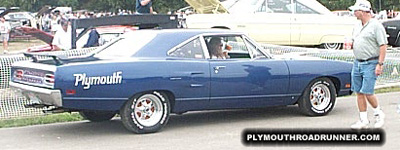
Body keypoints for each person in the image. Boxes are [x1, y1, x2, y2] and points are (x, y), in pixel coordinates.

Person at [349, 0, 387, 129]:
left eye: (356, 10)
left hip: (371, 62)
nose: (354, 12)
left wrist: (380, 64)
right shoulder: (357, 25)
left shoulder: (376, 25)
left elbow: (383, 45)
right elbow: (354, 40)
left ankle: (378, 113)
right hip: (357, 62)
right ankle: (363, 120)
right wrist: (350, 44)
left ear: (364, 11)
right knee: (359, 92)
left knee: (368, 91)